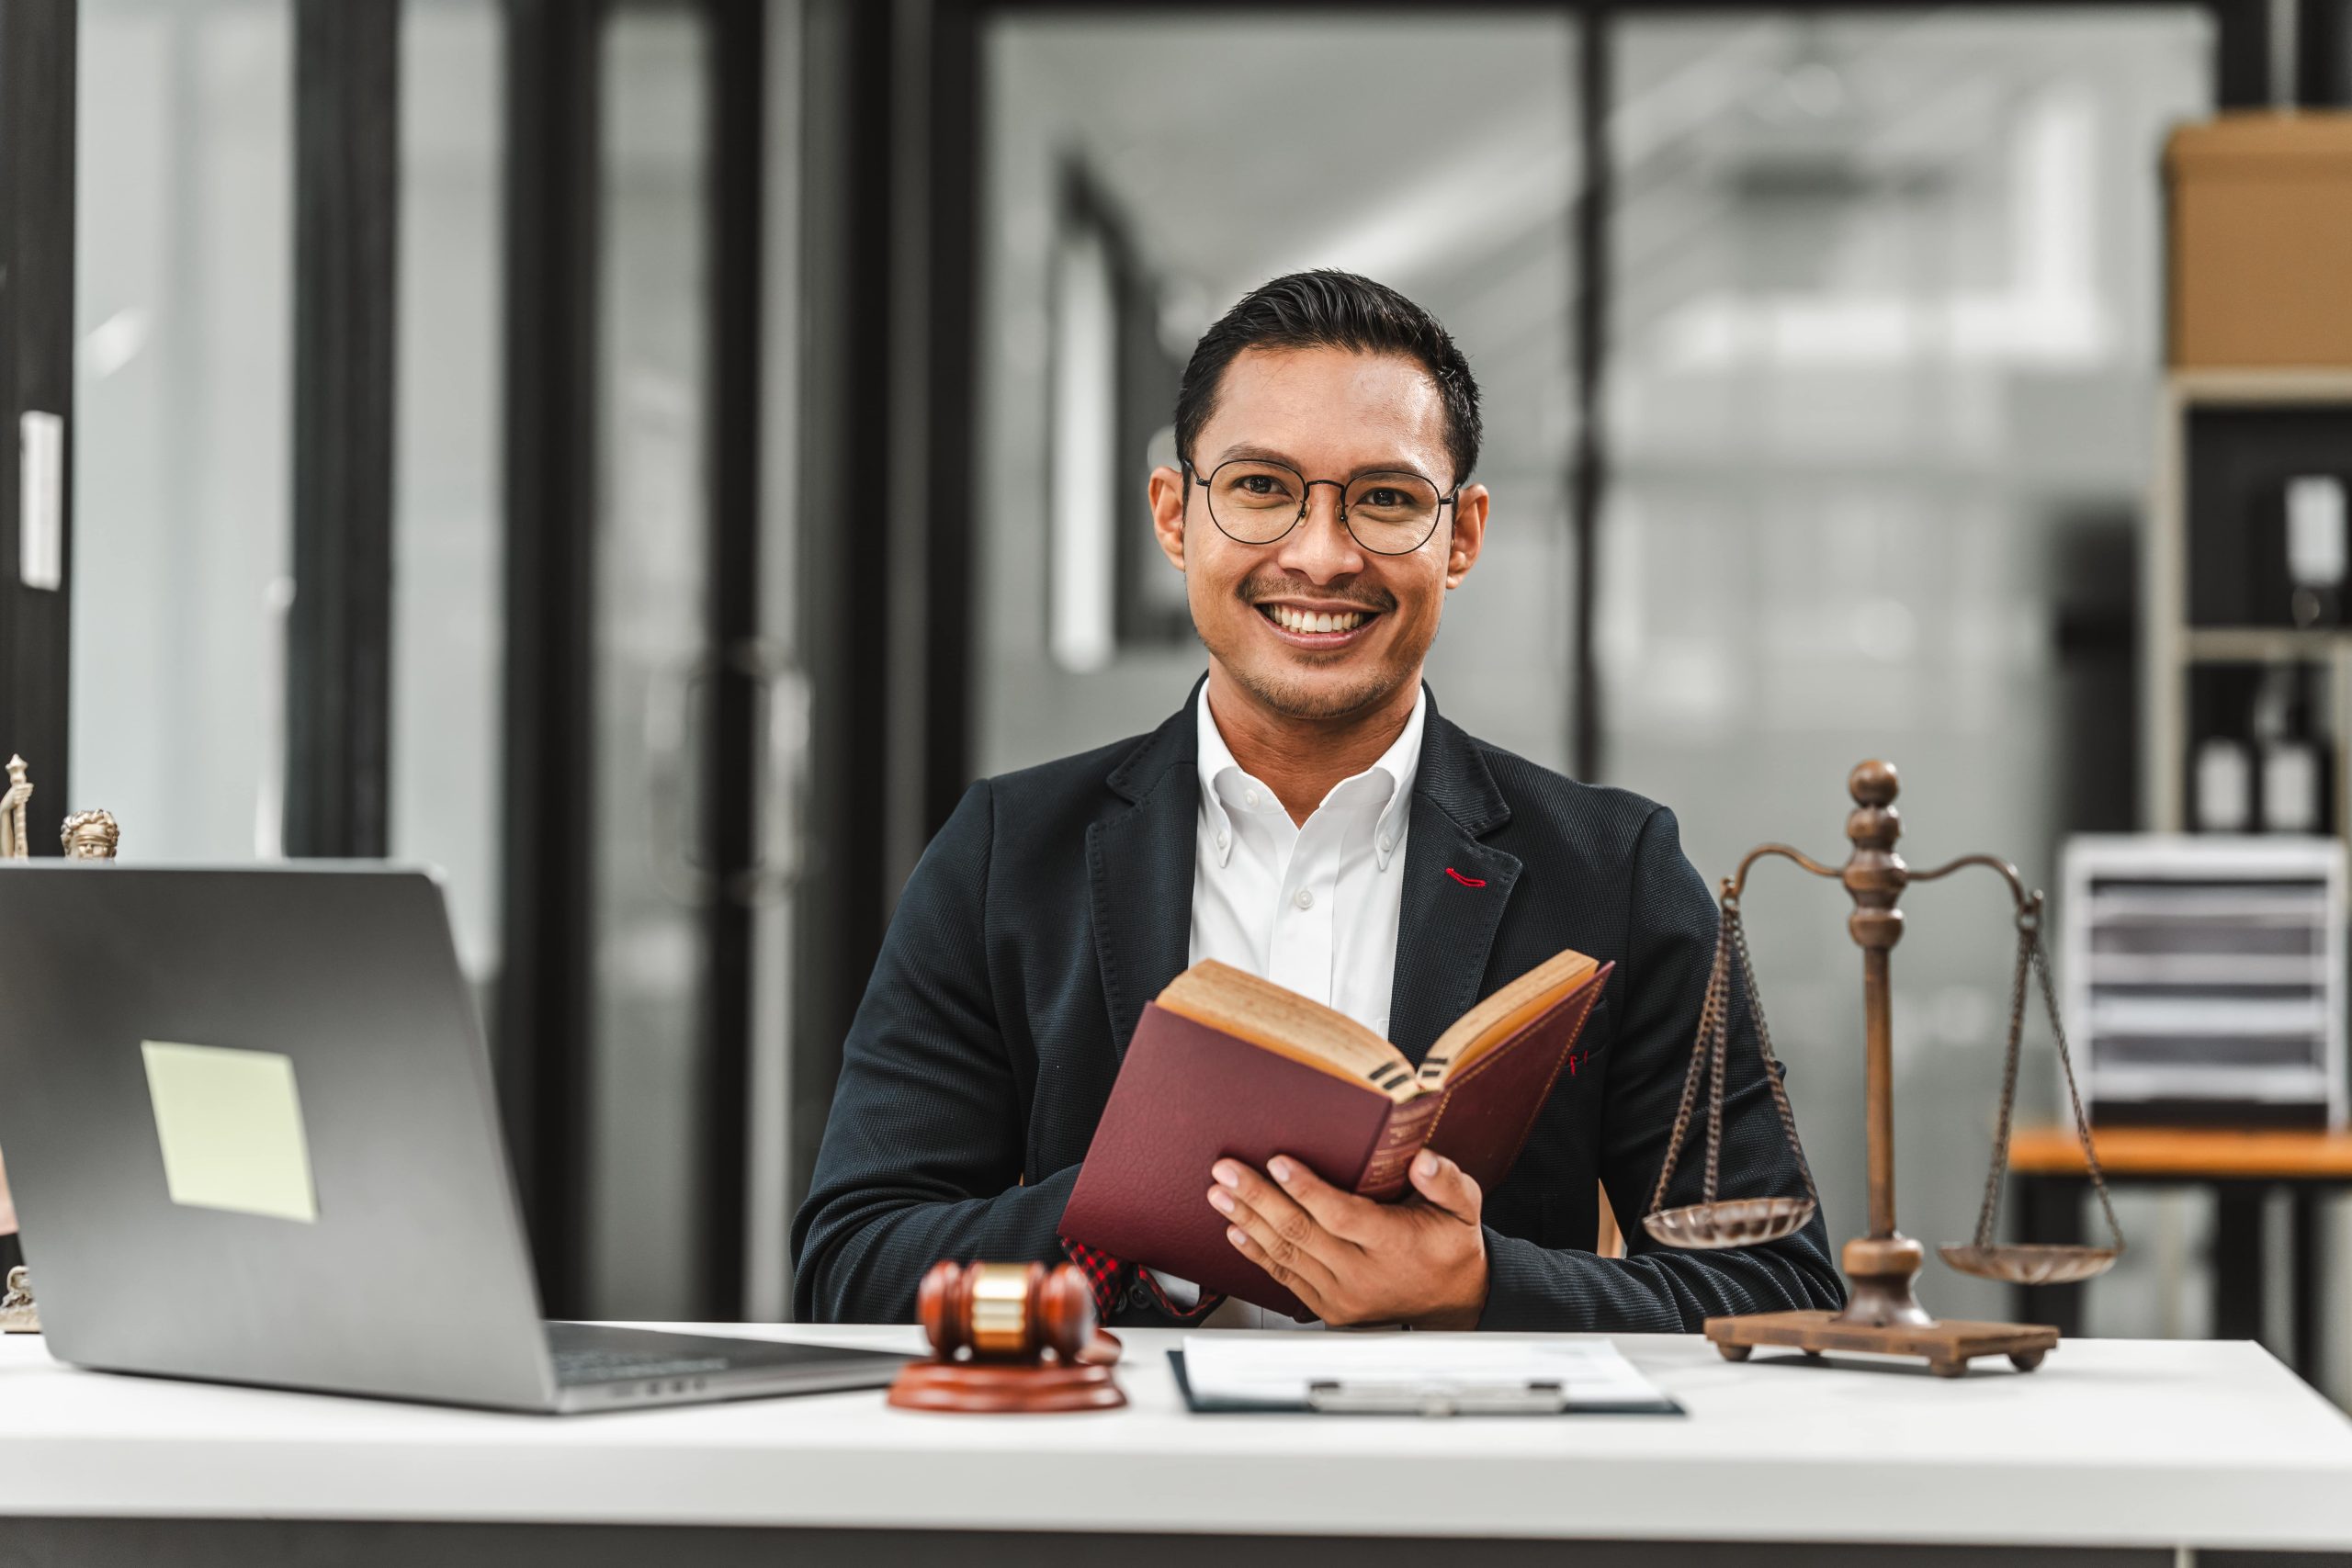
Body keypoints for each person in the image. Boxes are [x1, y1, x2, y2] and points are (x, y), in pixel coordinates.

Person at [793, 270, 1841, 1330]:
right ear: (1174, 516)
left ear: (1463, 534)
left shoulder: (1613, 871)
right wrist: (1144, 1217)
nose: (1321, 555)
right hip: (1116, 1484)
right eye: (1260, 488)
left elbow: (1779, 1289)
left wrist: (1479, 1288)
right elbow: (854, 1265)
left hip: (1455, 1484)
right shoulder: (1005, 856)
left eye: (1385, 500)